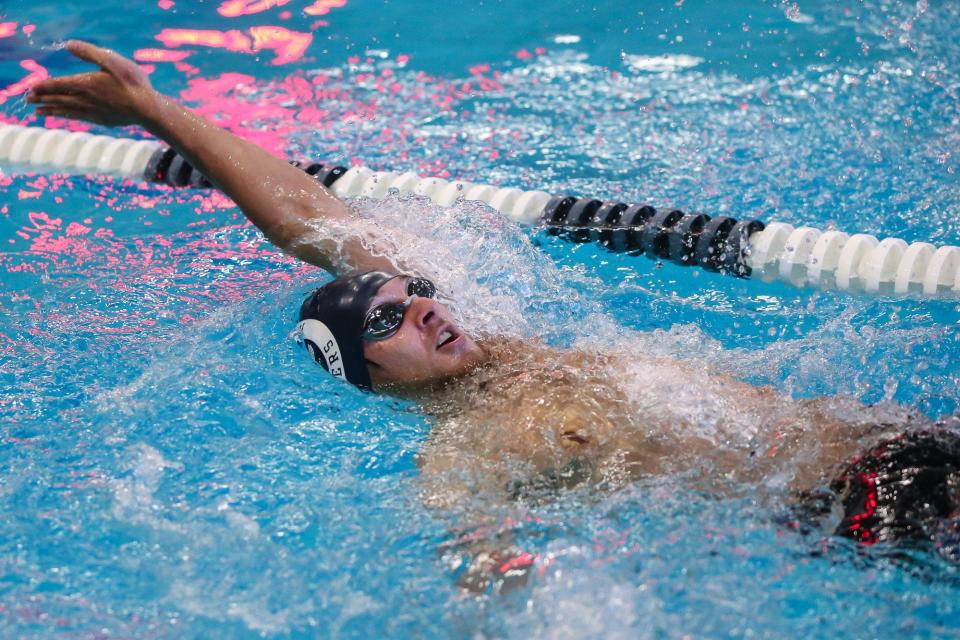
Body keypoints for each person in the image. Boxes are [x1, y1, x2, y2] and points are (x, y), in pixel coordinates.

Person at [26, 41, 960, 585]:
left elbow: (309, 219)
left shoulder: (506, 336)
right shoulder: (468, 448)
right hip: (868, 505)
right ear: (372, 378)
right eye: (388, 324)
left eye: (413, 297)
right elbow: (471, 553)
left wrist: (162, 111)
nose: (423, 310)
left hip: (886, 433)